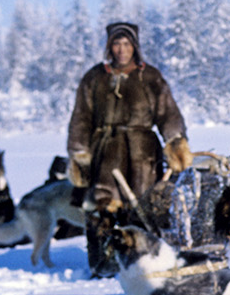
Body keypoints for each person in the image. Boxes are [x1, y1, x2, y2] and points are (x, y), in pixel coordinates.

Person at [67, 21, 191, 273]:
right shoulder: (95, 77)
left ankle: (145, 261)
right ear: (109, 47)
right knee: (103, 207)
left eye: (126, 44)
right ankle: (105, 263)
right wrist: (79, 152)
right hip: (106, 152)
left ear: (134, 46)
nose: (122, 50)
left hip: (142, 152)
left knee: (145, 207)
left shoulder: (150, 76)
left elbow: (167, 113)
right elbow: (81, 117)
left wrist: (175, 141)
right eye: (116, 44)